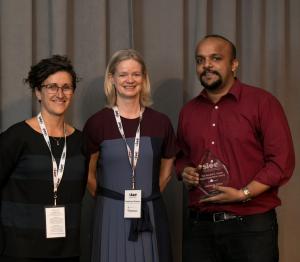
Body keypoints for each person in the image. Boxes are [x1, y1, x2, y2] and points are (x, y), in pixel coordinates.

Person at [175, 34, 295, 262]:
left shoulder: (262, 102)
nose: (206, 65)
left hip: (251, 228)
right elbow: (182, 157)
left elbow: (281, 161)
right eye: (200, 60)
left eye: (215, 58)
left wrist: (243, 194)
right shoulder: (188, 111)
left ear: (234, 64)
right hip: (200, 229)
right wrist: (185, 172)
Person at [83, 49, 177, 262]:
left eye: (136, 74)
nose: (130, 80)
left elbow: (166, 172)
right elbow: (88, 175)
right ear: (112, 79)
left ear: (144, 79)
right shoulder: (97, 123)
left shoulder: (160, 122)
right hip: (110, 214)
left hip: (150, 212)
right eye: (123, 74)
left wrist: (146, 198)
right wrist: (112, 203)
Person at [0, 55, 87, 262]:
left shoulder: (80, 141)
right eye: (52, 87)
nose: (60, 93)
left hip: (67, 250)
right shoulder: (16, 137)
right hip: (20, 250)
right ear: (38, 92)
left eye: (66, 87)